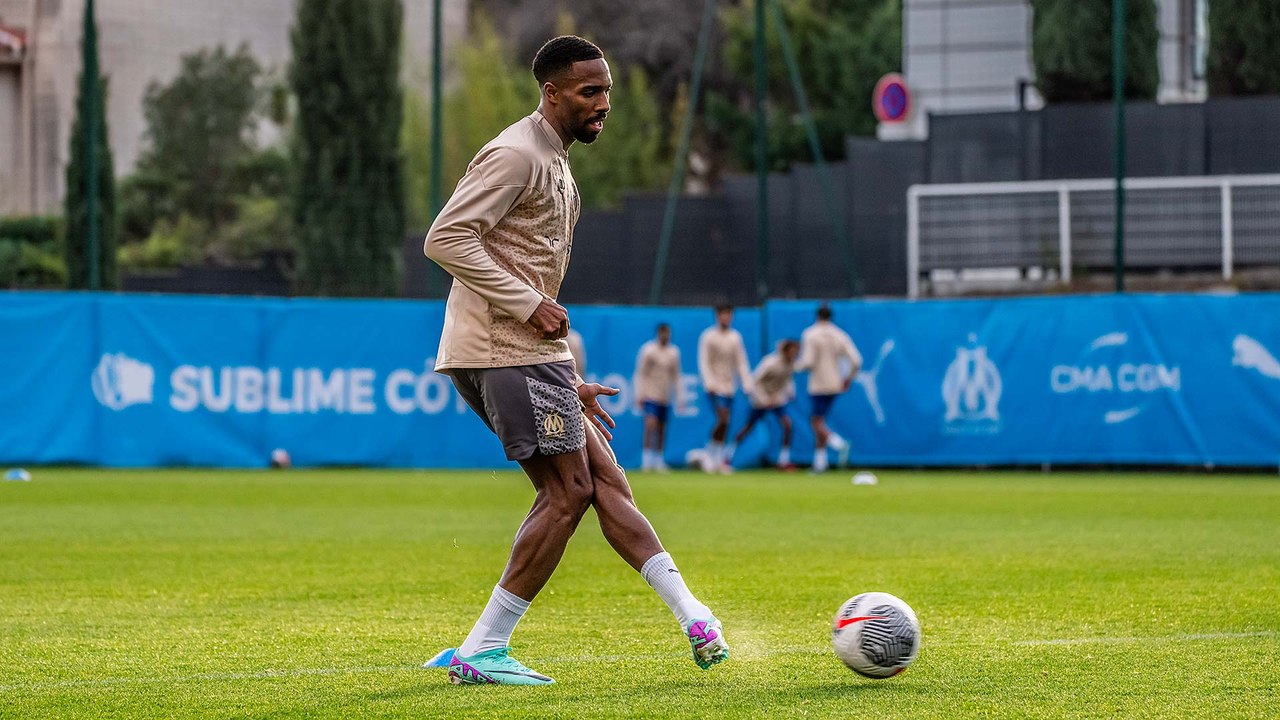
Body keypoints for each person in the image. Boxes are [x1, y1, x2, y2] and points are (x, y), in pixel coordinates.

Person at [423, 36, 728, 686]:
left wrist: (562, 375)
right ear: (552, 93)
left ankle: (695, 616)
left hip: (530, 353)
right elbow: (445, 238)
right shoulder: (514, 153)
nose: (603, 104)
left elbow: (520, 262)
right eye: (590, 92)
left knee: (605, 480)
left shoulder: (555, 159)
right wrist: (529, 306)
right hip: (502, 348)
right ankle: (483, 648)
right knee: (569, 492)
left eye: (607, 91)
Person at [797, 305, 862, 473]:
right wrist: (848, 378)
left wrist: (794, 366)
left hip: (818, 384)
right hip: (835, 384)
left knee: (815, 422)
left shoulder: (810, 334)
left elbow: (808, 362)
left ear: (817, 316)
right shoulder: (839, 334)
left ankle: (838, 443)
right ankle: (820, 464)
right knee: (820, 420)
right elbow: (856, 360)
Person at [697, 305, 752, 473]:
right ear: (717, 316)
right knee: (723, 419)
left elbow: (741, 362)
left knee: (726, 423)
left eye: (729, 315)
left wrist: (746, 382)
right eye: (723, 314)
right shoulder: (708, 336)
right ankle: (711, 454)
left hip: (729, 387)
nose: (726, 318)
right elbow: (704, 361)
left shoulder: (735, 337)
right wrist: (708, 382)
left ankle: (716, 458)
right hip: (714, 386)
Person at [733, 339, 800, 470]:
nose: (794, 354)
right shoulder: (770, 363)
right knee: (748, 427)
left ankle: (783, 461)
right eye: (792, 351)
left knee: (787, 424)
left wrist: (790, 393)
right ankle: (728, 455)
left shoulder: (791, 364)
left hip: (776, 399)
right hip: (760, 399)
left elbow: (788, 380)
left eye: (796, 351)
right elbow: (755, 381)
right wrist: (763, 399)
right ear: (785, 350)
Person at [634, 323, 682, 472]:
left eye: (667, 333)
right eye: (662, 333)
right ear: (658, 333)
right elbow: (640, 373)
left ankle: (659, 459)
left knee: (662, 428)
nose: (665, 336)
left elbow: (676, 376)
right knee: (650, 425)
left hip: (665, 396)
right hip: (650, 394)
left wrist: (680, 396)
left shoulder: (674, 352)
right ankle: (646, 460)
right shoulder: (648, 350)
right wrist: (640, 394)